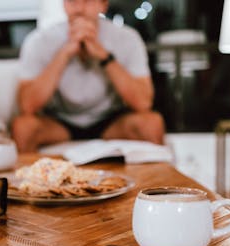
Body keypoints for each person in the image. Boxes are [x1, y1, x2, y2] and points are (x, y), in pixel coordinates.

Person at [12, 0, 165, 152]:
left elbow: (143, 103)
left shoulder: (128, 38)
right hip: (59, 122)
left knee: (151, 124)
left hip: (110, 121)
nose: (79, 8)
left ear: (103, 5)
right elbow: (27, 106)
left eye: (87, 1)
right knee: (23, 127)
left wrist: (103, 56)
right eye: (72, 1)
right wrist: (64, 53)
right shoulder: (39, 40)